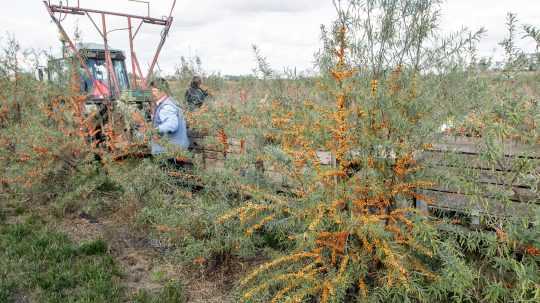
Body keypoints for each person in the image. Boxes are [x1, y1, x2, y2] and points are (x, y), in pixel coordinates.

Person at [150, 78, 190, 155]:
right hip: (177, 149)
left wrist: (154, 130)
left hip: (169, 153)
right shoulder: (172, 101)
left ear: (163, 91)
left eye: (154, 91)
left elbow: (172, 125)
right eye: (151, 91)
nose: (152, 93)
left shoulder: (166, 106)